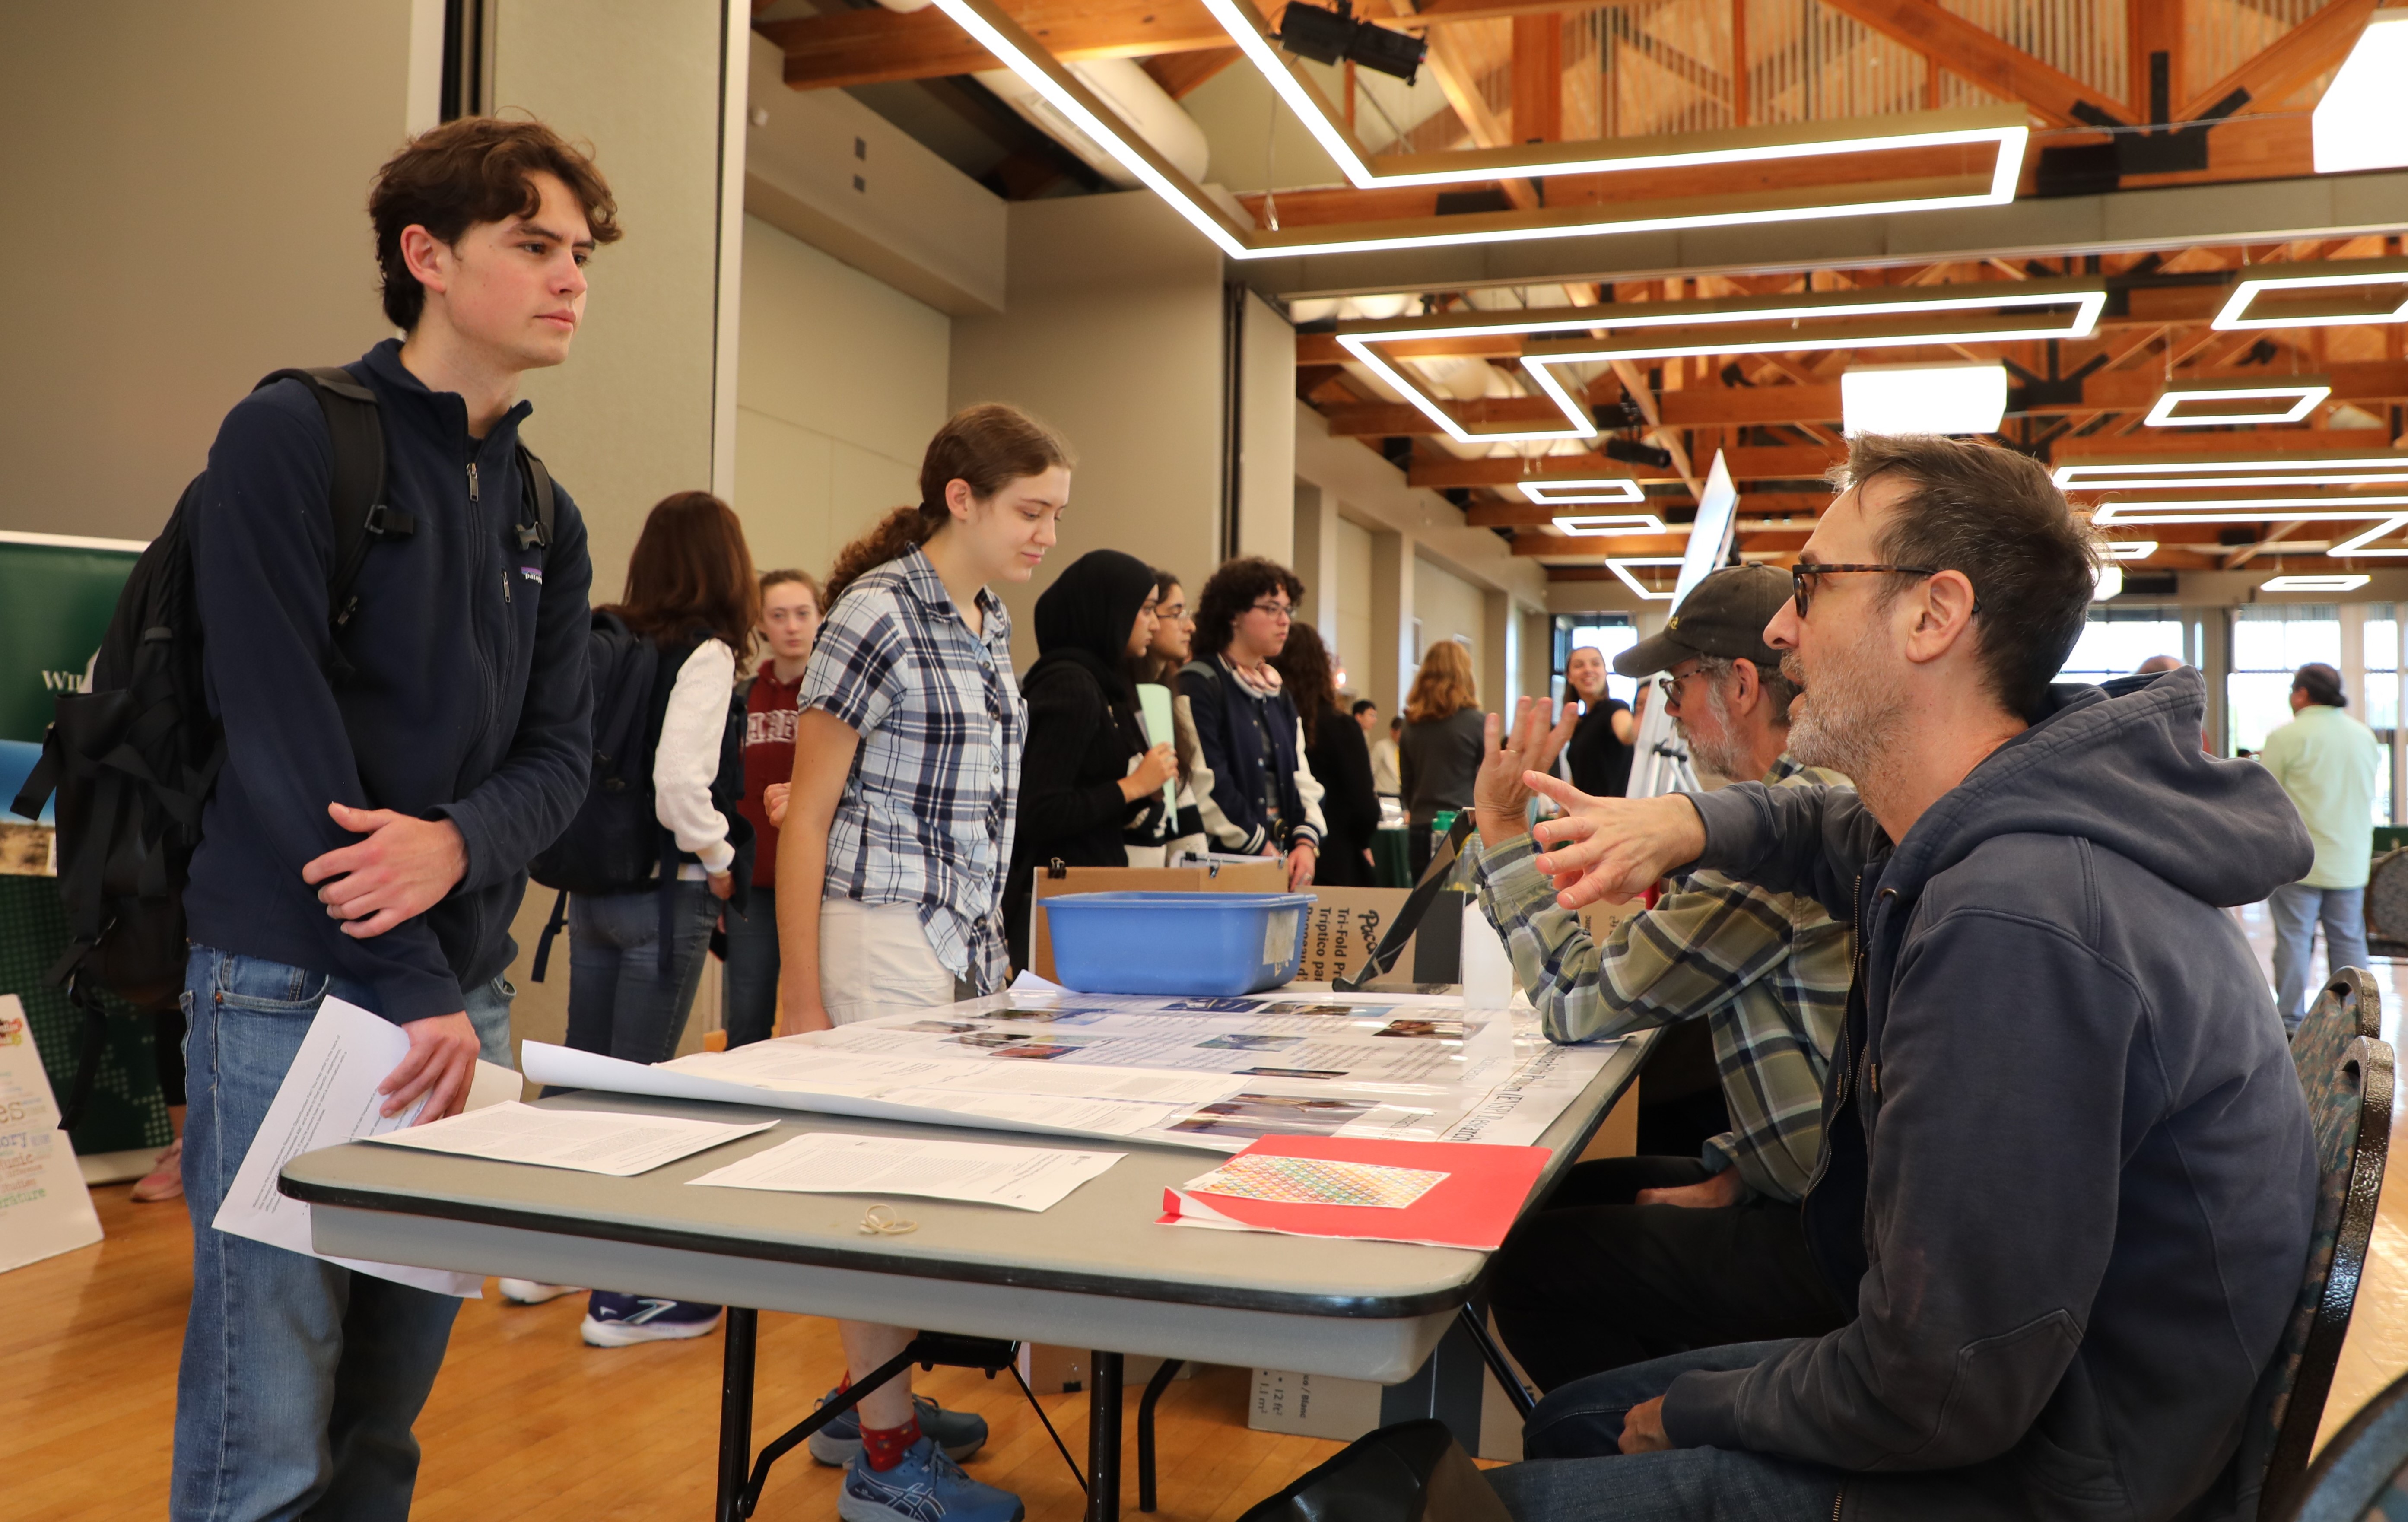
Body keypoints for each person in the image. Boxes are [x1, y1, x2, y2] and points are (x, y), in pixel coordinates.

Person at [1489, 434, 2315, 1522]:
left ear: (1932, 615)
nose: (1783, 625)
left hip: (2049, 1478)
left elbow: (1939, 1386)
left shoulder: (2013, 923)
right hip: (2054, 1411)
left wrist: (1695, 1413)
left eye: (1812, 584)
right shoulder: (2003, 824)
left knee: (1544, 1472)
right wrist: (1690, 819)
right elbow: (1822, 829)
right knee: (1576, 1424)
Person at [175, 116, 609, 1521]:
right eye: (534, 245)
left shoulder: (547, 513)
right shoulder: (290, 437)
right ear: (426, 255)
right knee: (272, 1425)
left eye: (582, 255)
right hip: (287, 988)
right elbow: (279, 726)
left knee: (384, 1417)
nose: (569, 280)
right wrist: (417, 976)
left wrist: (461, 847)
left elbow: (562, 757)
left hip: (451, 1010)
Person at [774, 402, 1071, 1522]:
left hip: (959, 940)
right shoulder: (874, 613)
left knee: (922, 1195)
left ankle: (868, 1398)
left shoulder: (987, 616)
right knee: (875, 1203)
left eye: (1053, 513)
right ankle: (884, 1464)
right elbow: (805, 817)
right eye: (1029, 510)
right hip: (876, 936)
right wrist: (799, 994)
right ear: (962, 498)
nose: (1044, 532)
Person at [1467, 565, 1854, 1395]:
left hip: (1832, 1236)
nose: (1667, 710)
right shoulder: (1822, 804)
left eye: (1679, 684)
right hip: (1827, 1189)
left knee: (1531, 1261)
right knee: (1564, 1197)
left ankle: (1655, 1446)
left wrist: (1500, 831)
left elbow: (1576, 999)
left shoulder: (1766, 844)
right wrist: (1734, 1172)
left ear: (1742, 685)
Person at [550, 492, 755, 1346]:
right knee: (638, 1099)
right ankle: (625, 1300)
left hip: (591, 891)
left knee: (579, 1089)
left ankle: (545, 1259)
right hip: (661, 897)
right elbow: (680, 784)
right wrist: (721, 858)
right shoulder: (703, 653)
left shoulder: (605, 636)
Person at [1004, 550, 1178, 966]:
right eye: (1147, 609)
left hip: (1086, 897)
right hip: (1061, 905)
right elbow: (1039, 811)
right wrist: (1132, 785)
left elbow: (1083, 800)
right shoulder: (1071, 686)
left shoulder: (1098, 684)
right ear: (1110, 612)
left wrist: (1140, 794)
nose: (1155, 623)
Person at [1182, 557, 1325, 890]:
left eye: (1288, 610)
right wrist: (1262, 848)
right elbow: (1207, 785)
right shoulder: (1199, 684)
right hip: (1224, 865)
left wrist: (1306, 844)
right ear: (1234, 614)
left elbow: (1303, 780)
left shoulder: (1278, 694)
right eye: (1272, 609)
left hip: (1280, 859)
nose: (1284, 621)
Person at [723, 568, 821, 1049]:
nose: (792, 626)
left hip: (818, 883)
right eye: (778, 616)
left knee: (814, 1022)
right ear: (761, 625)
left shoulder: (832, 699)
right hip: (753, 886)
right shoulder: (740, 698)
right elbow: (721, 792)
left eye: (803, 613)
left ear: (821, 618)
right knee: (746, 1023)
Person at [2262, 660, 2382, 1033]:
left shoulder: (2286, 737)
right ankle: (2356, 1020)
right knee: (2348, 939)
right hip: (2349, 860)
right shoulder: (2364, 736)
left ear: (2302, 694)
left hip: (2299, 860)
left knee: (2295, 940)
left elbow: (2266, 798)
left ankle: (2291, 1020)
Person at [1274, 622, 1378, 886]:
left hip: (1281, 853)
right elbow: (1364, 804)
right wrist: (1363, 841)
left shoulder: (1271, 722)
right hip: (1336, 856)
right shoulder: (1340, 726)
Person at [1127, 567, 1207, 864]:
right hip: (1122, 883)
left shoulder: (1166, 696)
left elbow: (1181, 801)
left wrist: (1199, 876)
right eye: (1176, 613)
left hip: (1160, 880)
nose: (1190, 627)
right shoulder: (1120, 700)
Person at [1399, 640, 1484, 878]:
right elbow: (1489, 782)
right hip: (1464, 829)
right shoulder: (1478, 723)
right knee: (1463, 907)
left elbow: (1407, 784)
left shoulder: (1410, 725)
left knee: (1424, 908)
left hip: (1421, 826)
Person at [1560, 645, 1635, 798]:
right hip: (1583, 816)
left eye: (1595, 664)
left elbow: (1627, 734)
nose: (1588, 670)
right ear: (1570, 677)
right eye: (1579, 666)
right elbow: (1578, 782)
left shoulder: (1615, 708)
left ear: (1605, 672)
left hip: (1611, 815)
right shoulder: (1580, 724)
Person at [1372, 713, 1403, 797]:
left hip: (1401, 793)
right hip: (1385, 793)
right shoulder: (1381, 746)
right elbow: (1372, 770)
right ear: (1393, 732)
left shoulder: (1405, 749)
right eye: (1400, 733)